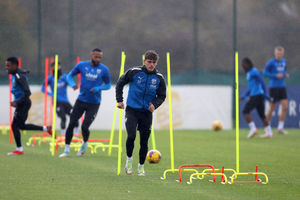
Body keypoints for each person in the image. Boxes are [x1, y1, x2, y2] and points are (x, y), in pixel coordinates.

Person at [116, 50, 166, 176]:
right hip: (132, 110)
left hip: (146, 113)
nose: (151, 65)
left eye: (154, 62)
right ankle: (129, 161)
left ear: (156, 63)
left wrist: (155, 104)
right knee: (131, 136)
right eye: (149, 62)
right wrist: (120, 100)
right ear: (144, 61)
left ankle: (141, 166)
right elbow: (120, 82)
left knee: (144, 141)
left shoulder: (159, 78)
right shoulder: (134, 72)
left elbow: (162, 95)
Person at [59, 48, 111, 158]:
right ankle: (66, 150)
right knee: (71, 123)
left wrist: (98, 88)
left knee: (84, 127)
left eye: (100, 57)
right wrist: (72, 84)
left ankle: (84, 143)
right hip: (81, 101)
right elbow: (69, 76)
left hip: (94, 103)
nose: (98, 59)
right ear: (91, 55)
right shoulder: (81, 65)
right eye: (96, 57)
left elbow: (108, 85)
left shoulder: (104, 69)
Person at [6, 57, 52, 155]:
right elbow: (23, 71)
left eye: (8, 66)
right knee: (20, 126)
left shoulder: (19, 76)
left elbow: (28, 92)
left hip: (24, 103)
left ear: (14, 65)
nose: (7, 68)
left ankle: (19, 149)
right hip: (22, 103)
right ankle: (46, 128)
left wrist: (17, 102)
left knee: (15, 126)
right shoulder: (15, 73)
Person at [41, 62, 79, 137]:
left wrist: (73, 86)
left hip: (66, 101)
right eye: (55, 67)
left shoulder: (64, 77)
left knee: (75, 116)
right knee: (63, 117)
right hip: (56, 102)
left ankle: (76, 135)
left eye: (58, 66)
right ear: (52, 68)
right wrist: (51, 94)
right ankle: (63, 136)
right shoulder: (50, 78)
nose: (57, 68)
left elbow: (70, 81)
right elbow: (43, 88)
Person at [240, 57, 273, 139]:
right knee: (262, 115)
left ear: (248, 64)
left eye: (244, 65)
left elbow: (262, 82)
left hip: (257, 95)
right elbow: (251, 88)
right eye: (242, 65)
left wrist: (266, 94)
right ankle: (269, 133)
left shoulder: (254, 71)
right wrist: (244, 96)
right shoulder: (248, 73)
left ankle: (253, 129)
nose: (243, 67)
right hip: (257, 95)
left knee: (245, 111)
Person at [263, 46, 289, 135]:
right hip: (273, 87)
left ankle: (280, 128)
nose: (279, 55)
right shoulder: (271, 62)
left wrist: (285, 75)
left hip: (282, 87)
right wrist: (275, 76)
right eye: (278, 53)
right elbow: (264, 73)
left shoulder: (284, 61)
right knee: (272, 108)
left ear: (283, 54)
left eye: (281, 54)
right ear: (275, 53)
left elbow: (284, 71)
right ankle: (266, 127)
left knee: (285, 107)